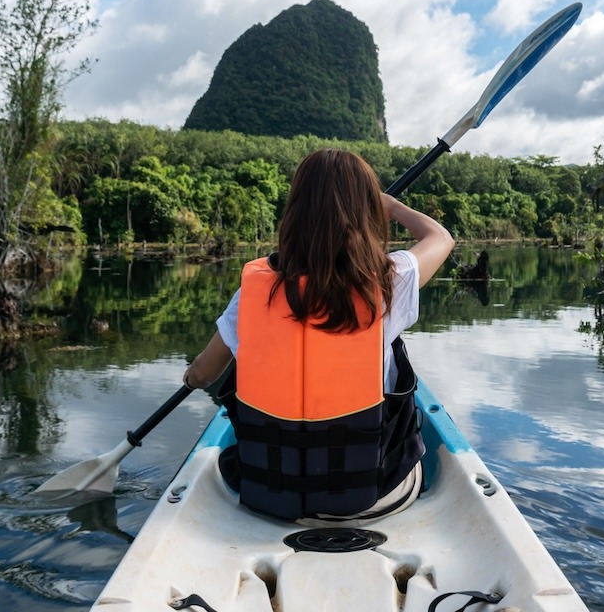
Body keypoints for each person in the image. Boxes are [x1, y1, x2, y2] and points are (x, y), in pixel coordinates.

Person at [183, 148, 454, 521]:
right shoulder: (391, 280)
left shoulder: (253, 293)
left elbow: (203, 374)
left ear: (295, 211)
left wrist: (190, 376)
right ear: (364, 213)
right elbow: (441, 238)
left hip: (270, 495)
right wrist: (391, 207)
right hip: (371, 493)